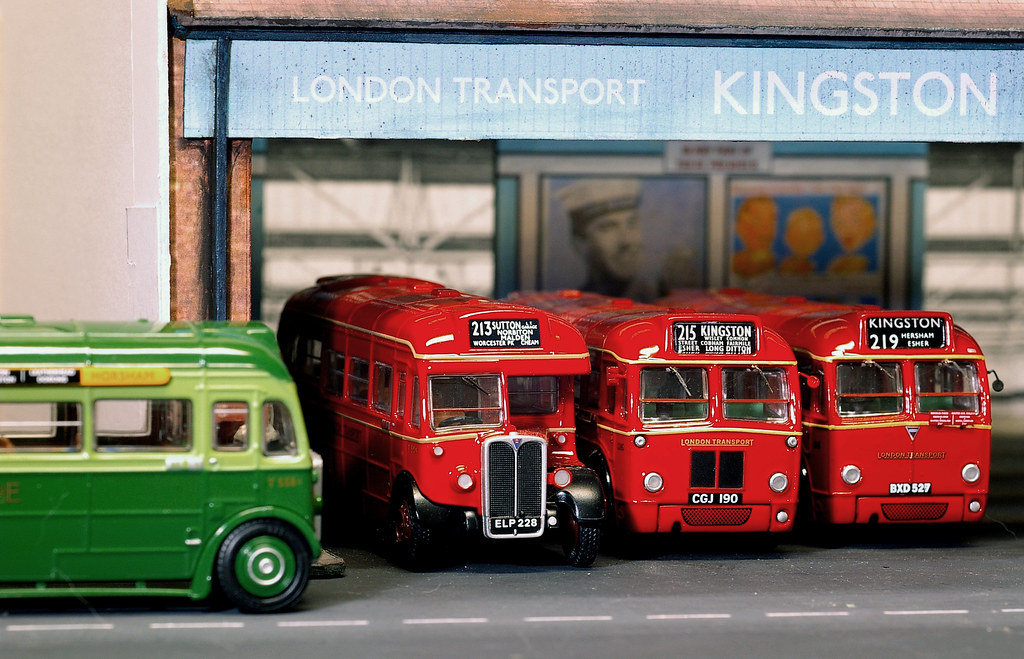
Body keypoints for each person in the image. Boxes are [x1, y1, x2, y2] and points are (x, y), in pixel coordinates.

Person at [556, 178, 655, 299]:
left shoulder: (659, 300)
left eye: (632, 223)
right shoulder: (570, 308)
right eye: (608, 227)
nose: (626, 241)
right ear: (580, 244)